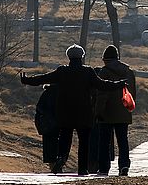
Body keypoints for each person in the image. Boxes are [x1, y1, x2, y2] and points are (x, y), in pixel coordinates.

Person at [20, 44, 127, 176]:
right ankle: (82, 169)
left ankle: (61, 159)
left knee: (65, 138)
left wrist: (26, 80)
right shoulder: (88, 72)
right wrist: (119, 84)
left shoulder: (62, 71)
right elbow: (102, 85)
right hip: (84, 113)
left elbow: (43, 78)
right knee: (84, 142)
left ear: (68, 57)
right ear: (82, 56)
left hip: (65, 113)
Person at [95, 44, 136, 176]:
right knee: (123, 140)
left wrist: (98, 112)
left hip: (106, 113)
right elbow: (133, 93)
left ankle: (103, 167)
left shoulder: (104, 72)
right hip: (123, 111)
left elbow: (102, 95)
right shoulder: (129, 72)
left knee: (104, 142)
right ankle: (124, 165)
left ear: (105, 59)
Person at [34, 83, 66, 172]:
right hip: (61, 123)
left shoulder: (46, 93)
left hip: (48, 124)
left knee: (49, 146)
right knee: (60, 145)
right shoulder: (64, 93)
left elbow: (39, 108)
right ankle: (59, 163)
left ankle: (53, 166)